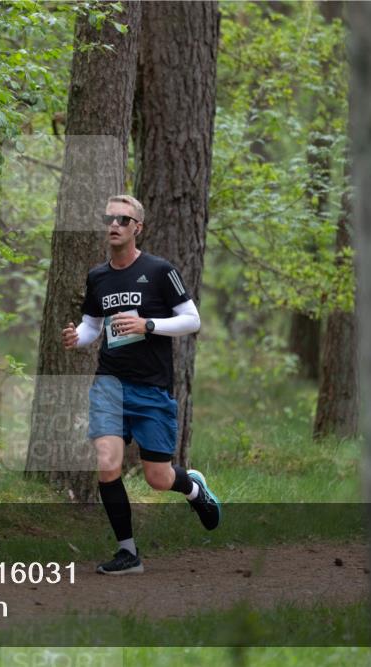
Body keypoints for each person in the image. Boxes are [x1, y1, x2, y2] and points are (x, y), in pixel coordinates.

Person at [62, 194, 221, 575]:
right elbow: (92, 326)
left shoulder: (160, 270)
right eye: (109, 219)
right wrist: (77, 337)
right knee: (107, 465)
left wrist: (147, 324)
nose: (114, 225)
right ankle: (128, 553)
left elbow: (192, 320)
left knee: (157, 478)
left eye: (123, 219)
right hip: (109, 385)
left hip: (151, 387)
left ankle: (193, 487)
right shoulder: (98, 277)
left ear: (138, 228)